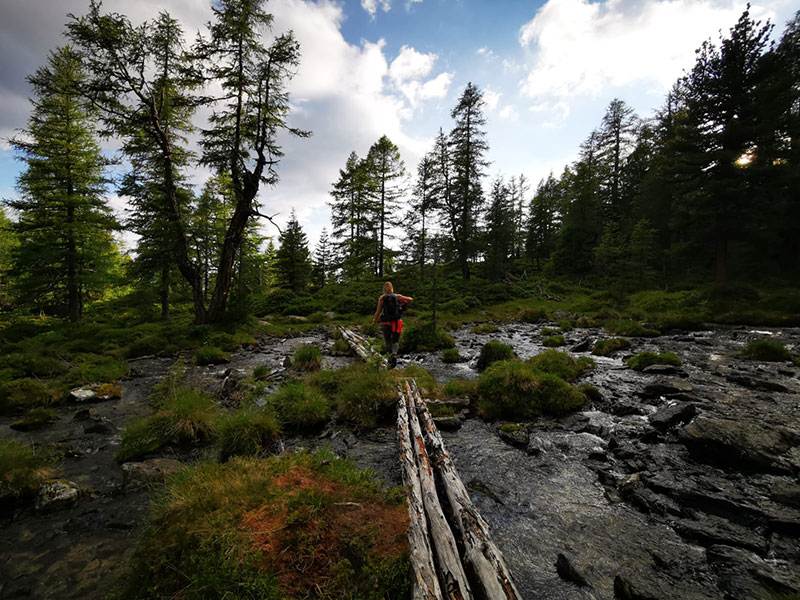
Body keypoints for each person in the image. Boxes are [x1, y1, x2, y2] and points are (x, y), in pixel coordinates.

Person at [373, 282, 413, 368]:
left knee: (388, 341)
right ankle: (394, 354)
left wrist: (374, 321)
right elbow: (410, 299)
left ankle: (390, 360)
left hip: (385, 323)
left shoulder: (382, 298)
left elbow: (378, 311)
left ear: (384, 289)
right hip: (397, 322)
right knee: (395, 341)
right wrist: (403, 304)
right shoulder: (397, 296)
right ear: (392, 288)